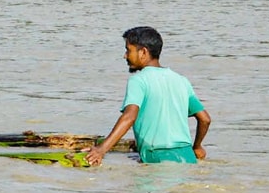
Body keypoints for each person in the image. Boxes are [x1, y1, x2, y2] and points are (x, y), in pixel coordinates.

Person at [86, 27, 212, 166]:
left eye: (128, 50)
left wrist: (101, 150)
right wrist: (197, 147)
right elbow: (205, 119)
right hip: (187, 156)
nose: (125, 56)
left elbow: (129, 117)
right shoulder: (181, 80)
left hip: (156, 156)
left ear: (143, 52)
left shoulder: (139, 80)